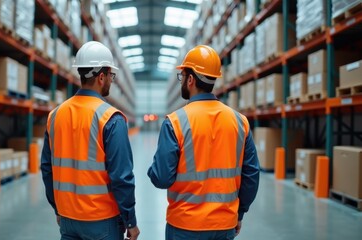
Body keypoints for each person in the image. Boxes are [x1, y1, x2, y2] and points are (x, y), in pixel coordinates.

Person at [147, 45, 260, 240]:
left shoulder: (175, 122)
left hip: (184, 225)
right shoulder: (239, 122)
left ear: (190, 79)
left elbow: (161, 178)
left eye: (182, 77)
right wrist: (239, 213)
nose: (181, 81)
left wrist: (153, 169)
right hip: (225, 225)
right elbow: (251, 175)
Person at [41, 41, 140, 240]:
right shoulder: (111, 118)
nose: (111, 81)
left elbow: (47, 168)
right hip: (102, 220)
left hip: (68, 219)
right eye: (111, 75)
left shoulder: (55, 115)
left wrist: (58, 209)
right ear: (101, 76)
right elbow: (122, 177)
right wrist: (130, 221)